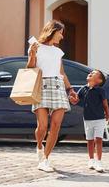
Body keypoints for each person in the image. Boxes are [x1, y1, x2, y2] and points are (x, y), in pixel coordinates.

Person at [26, 20, 77, 172]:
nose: (62, 36)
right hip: (42, 86)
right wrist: (32, 54)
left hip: (58, 87)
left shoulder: (58, 52)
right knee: (42, 126)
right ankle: (39, 146)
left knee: (55, 126)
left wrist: (70, 89)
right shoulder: (37, 47)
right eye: (60, 32)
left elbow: (61, 72)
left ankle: (45, 159)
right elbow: (30, 67)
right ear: (52, 31)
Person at [70, 70, 109, 172]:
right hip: (87, 119)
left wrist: (107, 113)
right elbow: (76, 101)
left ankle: (99, 162)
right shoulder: (83, 89)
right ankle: (91, 160)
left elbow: (105, 104)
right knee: (90, 140)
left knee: (98, 140)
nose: (91, 73)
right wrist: (72, 99)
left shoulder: (101, 91)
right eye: (91, 72)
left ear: (99, 80)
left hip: (99, 119)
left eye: (94, 73)